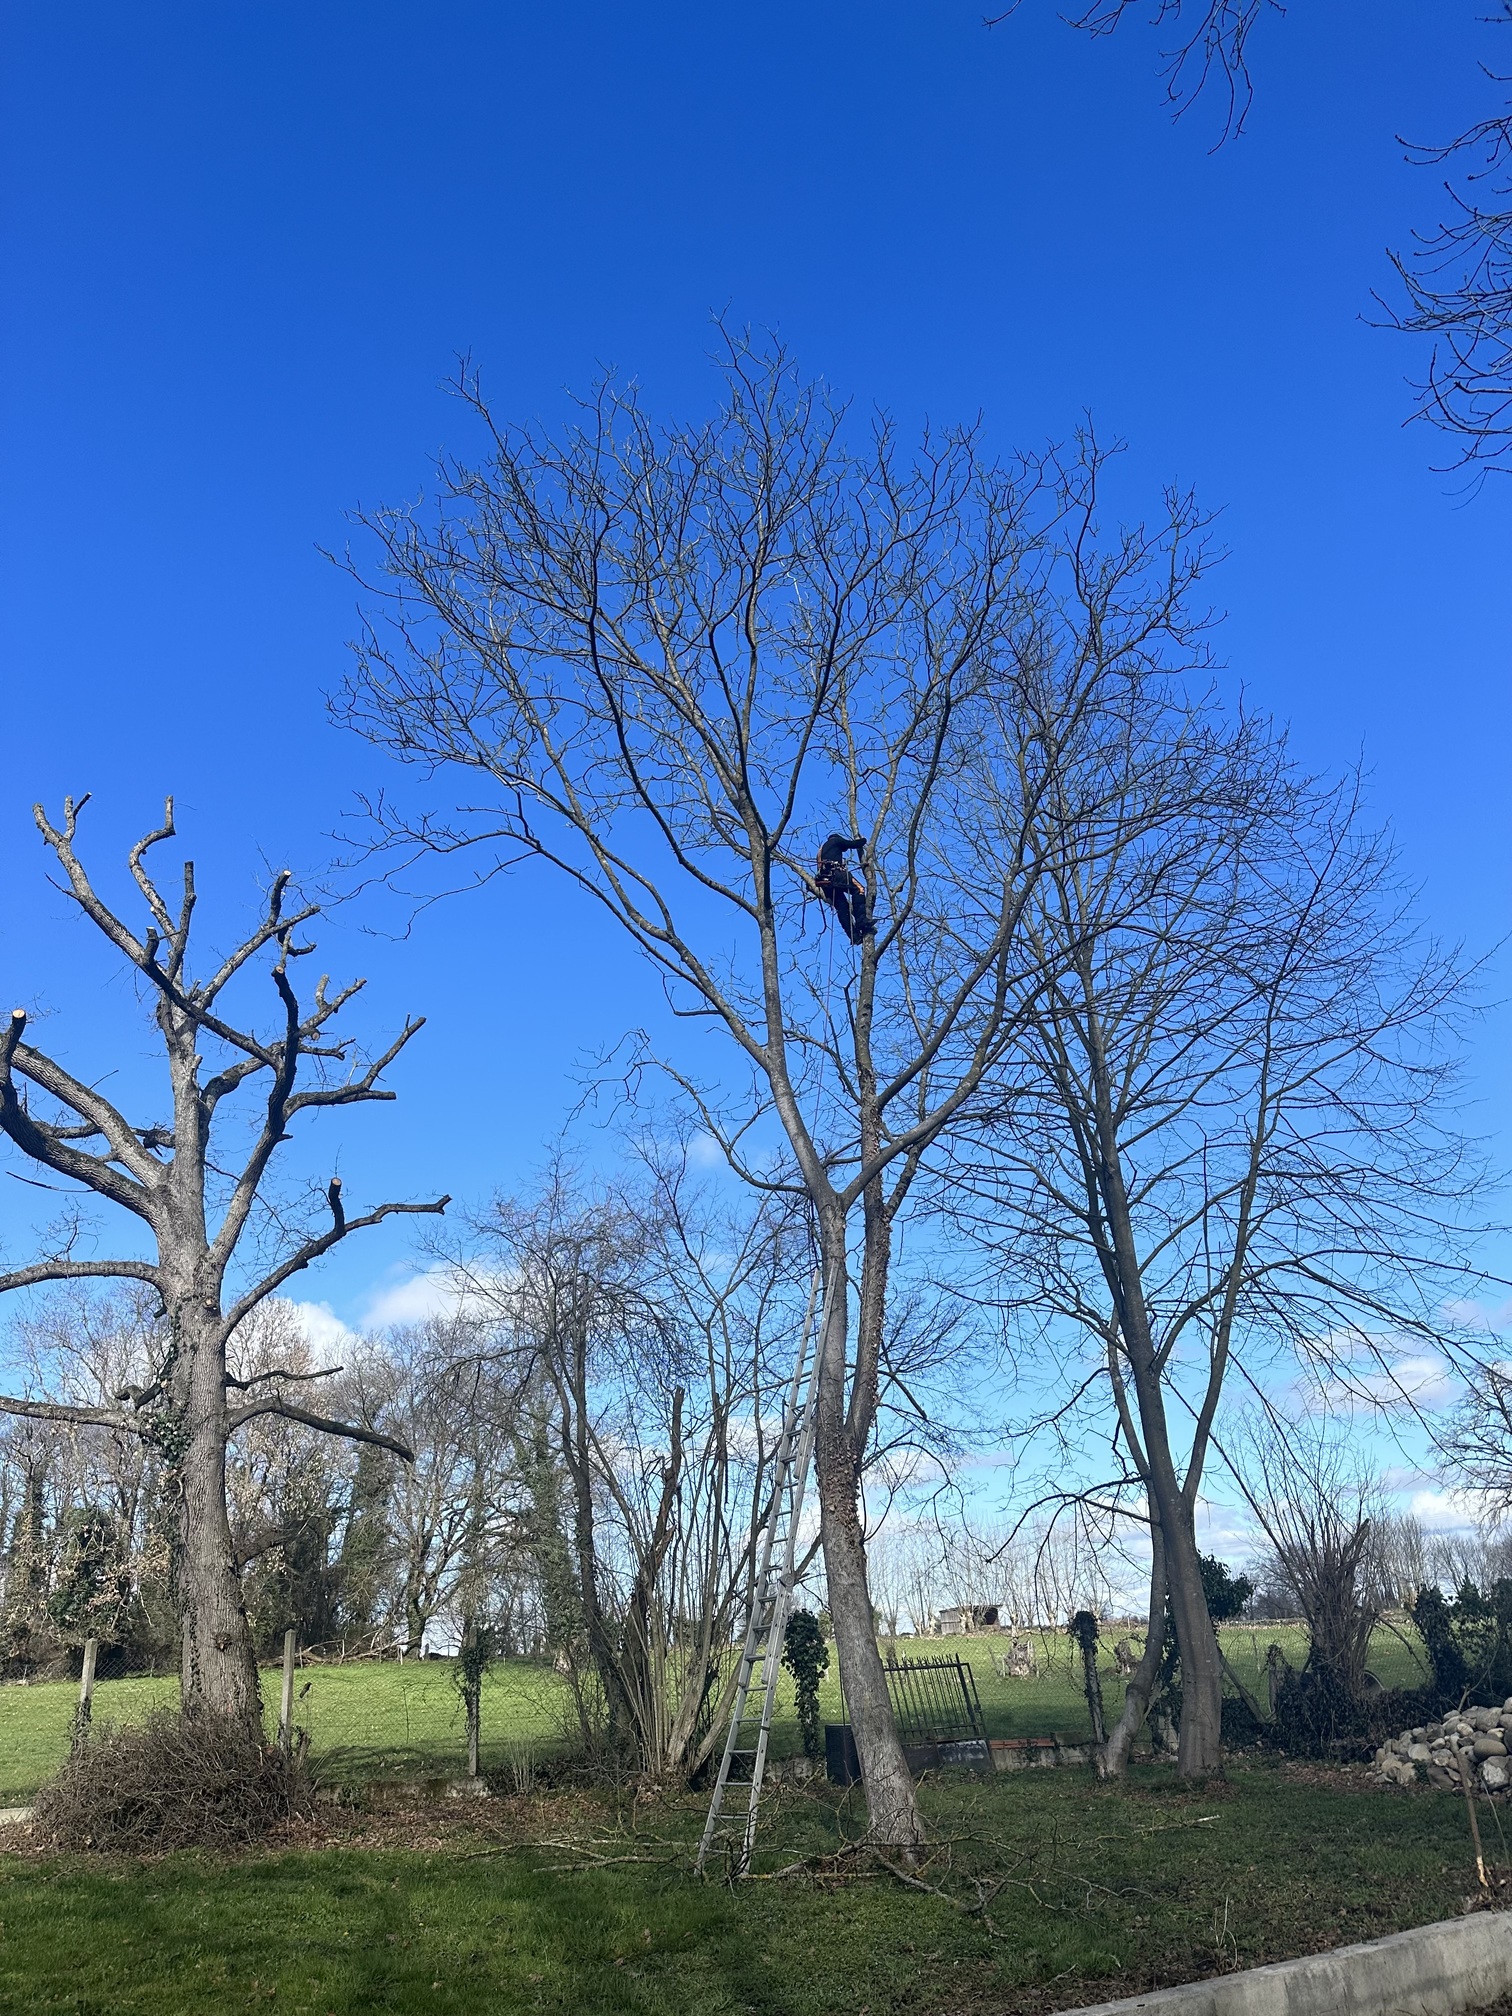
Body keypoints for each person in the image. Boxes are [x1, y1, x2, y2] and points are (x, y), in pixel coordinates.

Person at [814, 833, 871, 945]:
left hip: (825, 882)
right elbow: (853, 844)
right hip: (836, 874)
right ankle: (861, 920)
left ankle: (854, 936)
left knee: (842, 908)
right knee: (859, 889)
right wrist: (863, 840)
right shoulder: (836, 841)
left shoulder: (821, 850)